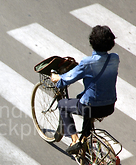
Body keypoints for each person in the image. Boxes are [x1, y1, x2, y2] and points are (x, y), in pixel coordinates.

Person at [50, 25, 119, 154]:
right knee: (83, 99)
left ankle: (75, 140)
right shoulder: (114, 58)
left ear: (92, 42)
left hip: (90, 106)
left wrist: (57, 79)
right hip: (109, 105)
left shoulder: (87, 63)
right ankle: (85, 140)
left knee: (63, 105)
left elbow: (67, 79)